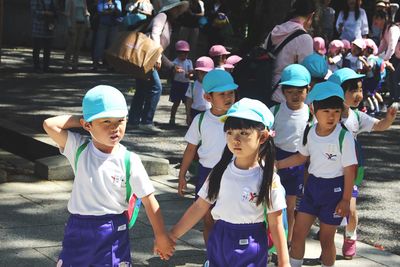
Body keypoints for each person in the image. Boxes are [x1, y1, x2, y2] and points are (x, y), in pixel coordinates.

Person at [42, 85, 175, 265]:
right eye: (106, 121)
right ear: (87, 125)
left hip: (112, 229)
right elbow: (49, 125)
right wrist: (85, 118)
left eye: (120, 121)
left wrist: (161, 235)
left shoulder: (129, 160)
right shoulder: (79, 148)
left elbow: (149, 200)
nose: (115, 128)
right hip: (78, 227)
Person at [171, 98, 289, 267]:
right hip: (220, 238)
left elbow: (276, 223)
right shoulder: (219, 172)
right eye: (230, 133)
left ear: (262, 137)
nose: (235, 139)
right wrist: (173, 235)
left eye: (244, 133)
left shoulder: (268, 179)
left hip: (251, 243)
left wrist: (284, 262)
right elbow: (199, 207)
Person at [277, 81, 358, 267]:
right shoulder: (309, 132)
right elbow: (301, 157)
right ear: (314, 110)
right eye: (326, 111)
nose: (331, 116)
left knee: (326, 239)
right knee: (298, 233)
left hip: (334, 192)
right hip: (312, 189)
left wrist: (346, 200)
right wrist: (278, 164)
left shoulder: (343, 137)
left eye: (336, 112)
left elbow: (350, 170)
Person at [328, 68, 398, 260]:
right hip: (328, 170)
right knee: (328, 208)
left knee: (350, 207)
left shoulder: (357, 116)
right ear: (338, 92)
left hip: (351, 170)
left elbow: (378, 126)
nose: (359, 94)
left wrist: (389, 119)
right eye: (353, 90)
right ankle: (327, 233)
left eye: (360, 89)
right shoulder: (326, 115)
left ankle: (350, 236)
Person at [178, 69, 237, 247]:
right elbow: (190, 149)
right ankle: (211, 255)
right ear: (208, 97)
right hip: (206, 174)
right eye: (222, 94)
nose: (228, 97)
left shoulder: (238, 117)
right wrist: (182, 175)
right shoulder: (200, 120)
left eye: (231, 93)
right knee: (208, 218)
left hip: (232, 174)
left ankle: (227, 252)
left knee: (230, 218)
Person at [128, 0, 189, 133]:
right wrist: (156, 56)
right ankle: (146, 122)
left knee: (142, 88)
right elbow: (154, 34)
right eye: (177, 8)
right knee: (156, 87)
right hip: (148, 56)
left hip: (148, 55)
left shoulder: (167, 20)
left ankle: (134, 120)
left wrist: (170, 66)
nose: (178, 11)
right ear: (171, 8)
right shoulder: (162, 16)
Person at [270, 64, 311, 245]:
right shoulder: (274, 112)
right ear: (283, 92)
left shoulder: (311, 114)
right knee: (272, 204)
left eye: (300, 91)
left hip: (298, 161)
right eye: (290, 91)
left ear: (307, 90)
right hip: (274, 159)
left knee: (291, 205)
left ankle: (288, 242)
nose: (295, 95)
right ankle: (271, 239)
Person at [263, 0, 315, 104]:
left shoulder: (275, 31)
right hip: (288, 98)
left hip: (265, 89)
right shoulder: (304, 38)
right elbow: (305, 73)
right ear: (310, 16)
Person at [373, 9, 400, 103]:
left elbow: (392, 46)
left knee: (396, 77)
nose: (375, 23)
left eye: (377, 19)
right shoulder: (384, 31)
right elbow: (382, 46)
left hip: (396, 55)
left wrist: (385, 59)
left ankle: (396, 100)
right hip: (396, 56)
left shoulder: (393, 28)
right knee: (391, 78)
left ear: (383, 19)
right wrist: (373, 56)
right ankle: (393, 99)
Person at [93, 0, 122, 71]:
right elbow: (100, 11)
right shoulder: (101, 1)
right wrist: (111, 11)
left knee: (111, 45)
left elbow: (119, 13)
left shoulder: (117, 2)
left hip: (114, 25)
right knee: (99, 44)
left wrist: (108, 11)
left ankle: (110, 64)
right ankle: (95, 63)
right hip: (103, 24)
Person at [169, 40, 194, 125]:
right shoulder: (175, 62)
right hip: (177, 84)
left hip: (185, 84)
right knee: (176, 102)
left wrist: (189, 75)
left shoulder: (189, 62)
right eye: (181, 53)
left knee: (187, 103)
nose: (183, 55)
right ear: (177, 53)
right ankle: (172, 118)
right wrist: (175, 70)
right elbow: (172, 71)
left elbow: (191, 72)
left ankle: (188, 118)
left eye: (185, 53)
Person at [30, 0, 58, 73]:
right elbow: (33, 12)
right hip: (38, 27)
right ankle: (36, 67)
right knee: (37, 48)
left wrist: (54, 14)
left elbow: (55, 10)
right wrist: (45, 13)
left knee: (48, 49)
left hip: (49, 26)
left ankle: (46, 67)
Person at [185, 56, 213, 125]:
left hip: (208, 112)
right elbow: (188, 101)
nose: (204, 75)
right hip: (195, 112)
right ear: (197, 72)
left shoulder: (213, 86)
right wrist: (188, 115)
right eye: (202, 72)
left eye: (207, 72)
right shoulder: (192, 85)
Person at [63, 0, 90, 72]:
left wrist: (88, 24)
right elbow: (67, 14)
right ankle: (66, 64)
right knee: (71, 45)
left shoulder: (83, 1)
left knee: (78, 45)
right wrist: (69, 26)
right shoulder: (69, 1)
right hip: (73, 24)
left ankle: (75, 65)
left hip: (82, 24)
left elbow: (86, 13)